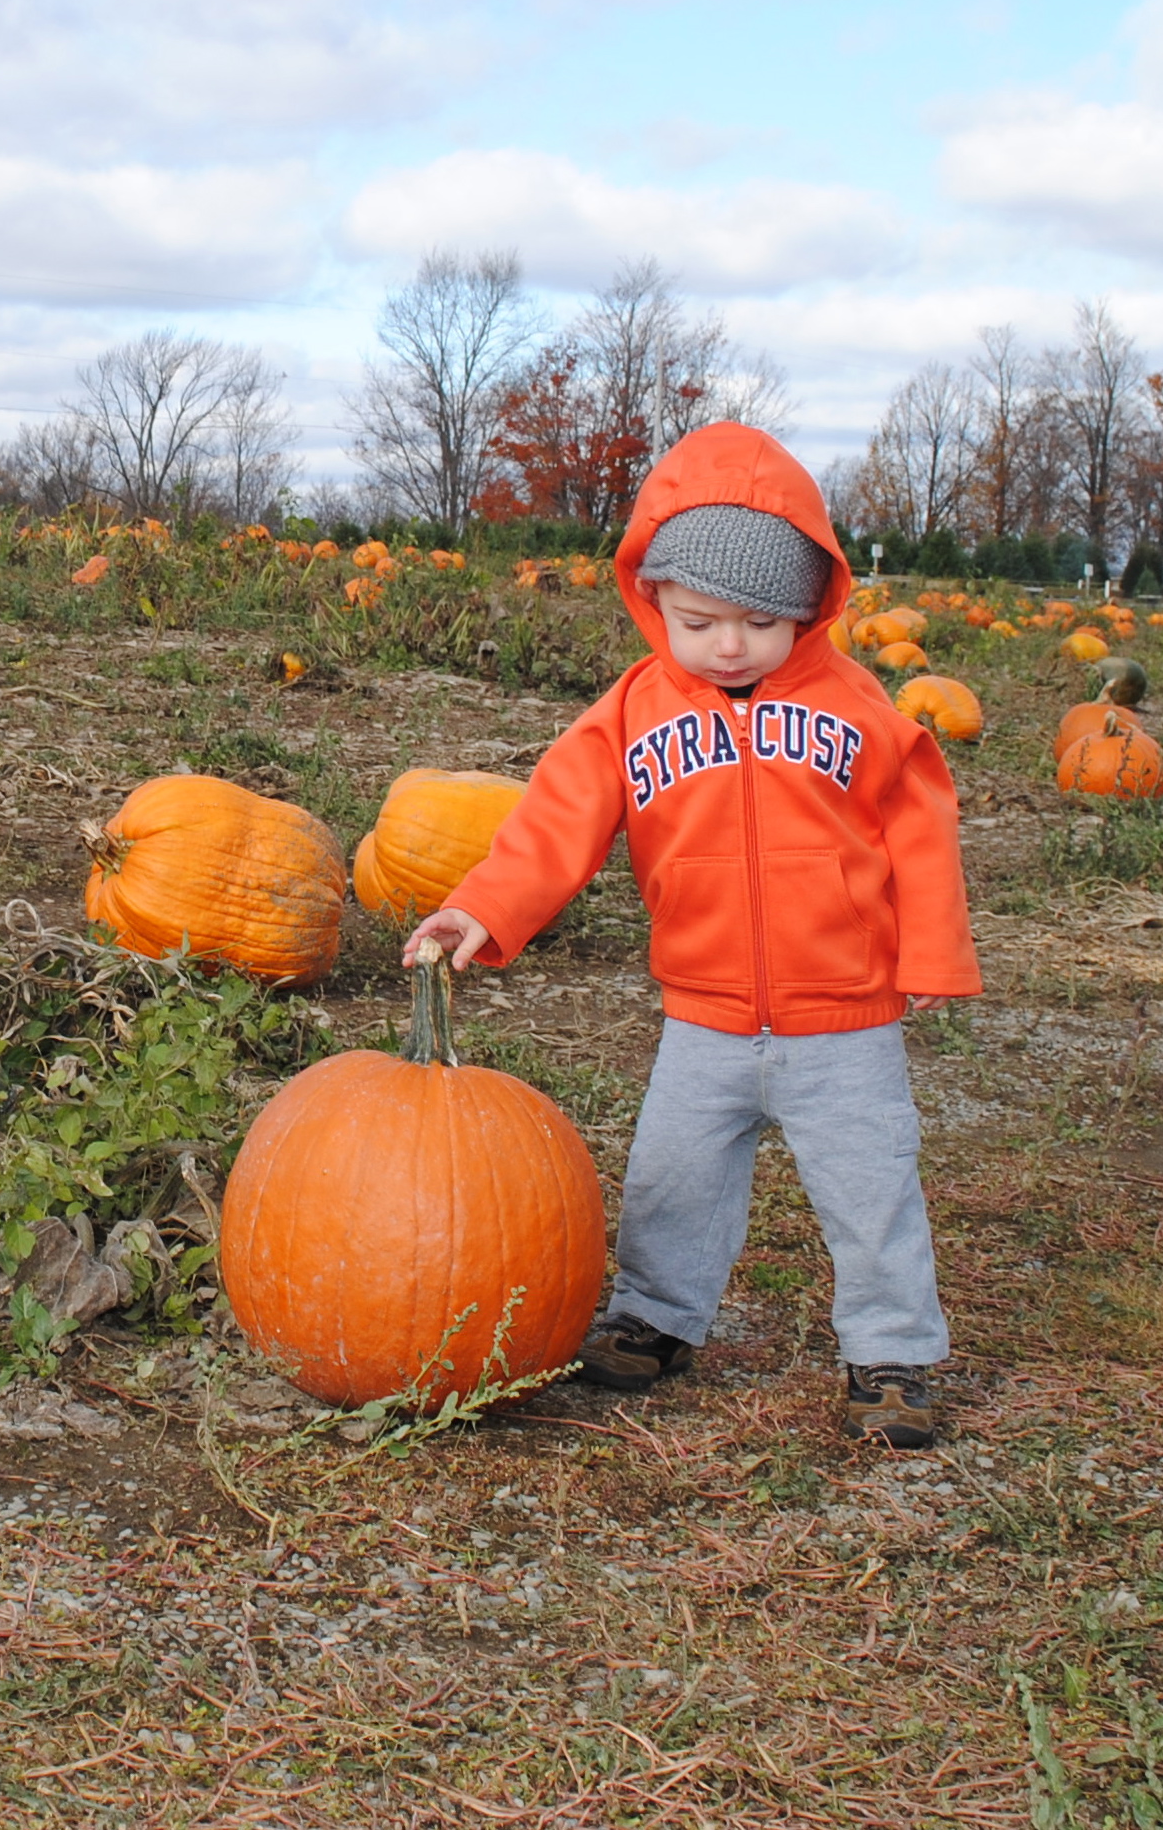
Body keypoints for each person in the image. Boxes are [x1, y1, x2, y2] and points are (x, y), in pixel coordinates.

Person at [402, 422, 977, 1449]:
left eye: (762, 621)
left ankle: (891, 1353)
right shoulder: (633, 711)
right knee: (673, 1178)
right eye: (701, 620)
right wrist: (484, 908)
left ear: (809, 605)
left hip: (845, 1014)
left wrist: (929, 950)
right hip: (704, 1013)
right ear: (654, 596)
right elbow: (557, 820)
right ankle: (656, 1319)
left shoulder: (855, 706)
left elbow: (919, 822)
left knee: (872, 1186)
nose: (730, 646)